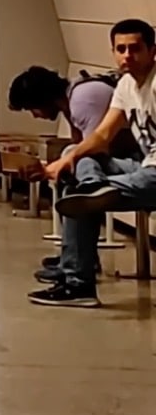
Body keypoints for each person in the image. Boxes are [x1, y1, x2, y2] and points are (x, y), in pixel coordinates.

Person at [35, 18, 156, 308]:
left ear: (152, 51)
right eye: (120, 49)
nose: (127, 56)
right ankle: (92, 185)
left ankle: (78, 284)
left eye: (135, 49)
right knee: (78, 158)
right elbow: (101, 136)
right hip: (144, 166)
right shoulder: (125, 85)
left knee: (81, 199)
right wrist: (68, 159)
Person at [6, 64, 120, 289]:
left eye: (32, 108)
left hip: (133, 159)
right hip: (114, 157)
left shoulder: (83, 98)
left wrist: (56, 166)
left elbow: (94, 148)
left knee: (73, 172)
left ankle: (90, 189)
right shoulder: (73, 102)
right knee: (69, 169)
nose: (35, 115)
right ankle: (76, 259)